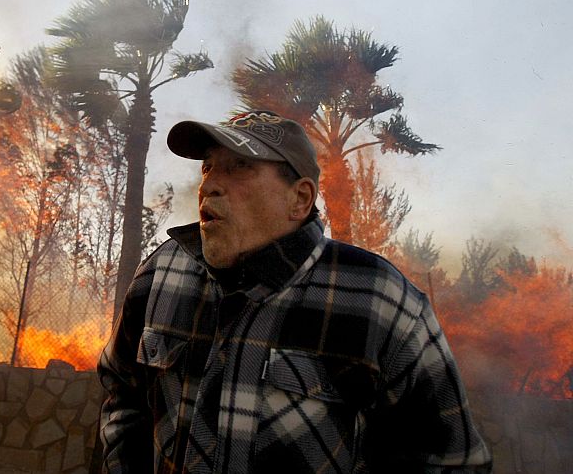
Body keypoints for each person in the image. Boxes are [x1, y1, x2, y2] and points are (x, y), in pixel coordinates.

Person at [98, 110, 492, 473]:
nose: (209, 186)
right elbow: (123, 392)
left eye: (240, 167)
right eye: (208, 167)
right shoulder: (162, 271)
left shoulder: (380, 299)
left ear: (299, 198)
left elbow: (450, 462)